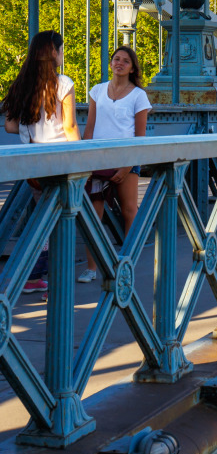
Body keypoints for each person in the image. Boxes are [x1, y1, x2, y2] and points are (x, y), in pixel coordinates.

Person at [1, 31, 79, 297]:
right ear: (53, 53)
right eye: (61, 49)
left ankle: (33, 277)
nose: (62, 54)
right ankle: (56, 284)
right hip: (59, 161)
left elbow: (10, 126)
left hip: (32, 163)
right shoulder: (63, 83)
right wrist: (83, 159)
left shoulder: (21, 85)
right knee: (62, 221)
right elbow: (69, 126)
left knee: (43, 219)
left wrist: (31, 128)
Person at [78, 46, 152, 283]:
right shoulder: (97, 90)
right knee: (93, 214)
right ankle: (92, 268)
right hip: (98, 160)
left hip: (125, 159)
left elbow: (139, 136)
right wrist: (85, 160)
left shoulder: (139, 96)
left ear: (132, 68)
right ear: (111, 63)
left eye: (125, 61)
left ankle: (128, 261)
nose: (119, 63)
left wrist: (128, 166)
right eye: (116, 59)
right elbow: (89, 127)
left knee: (129, 210)